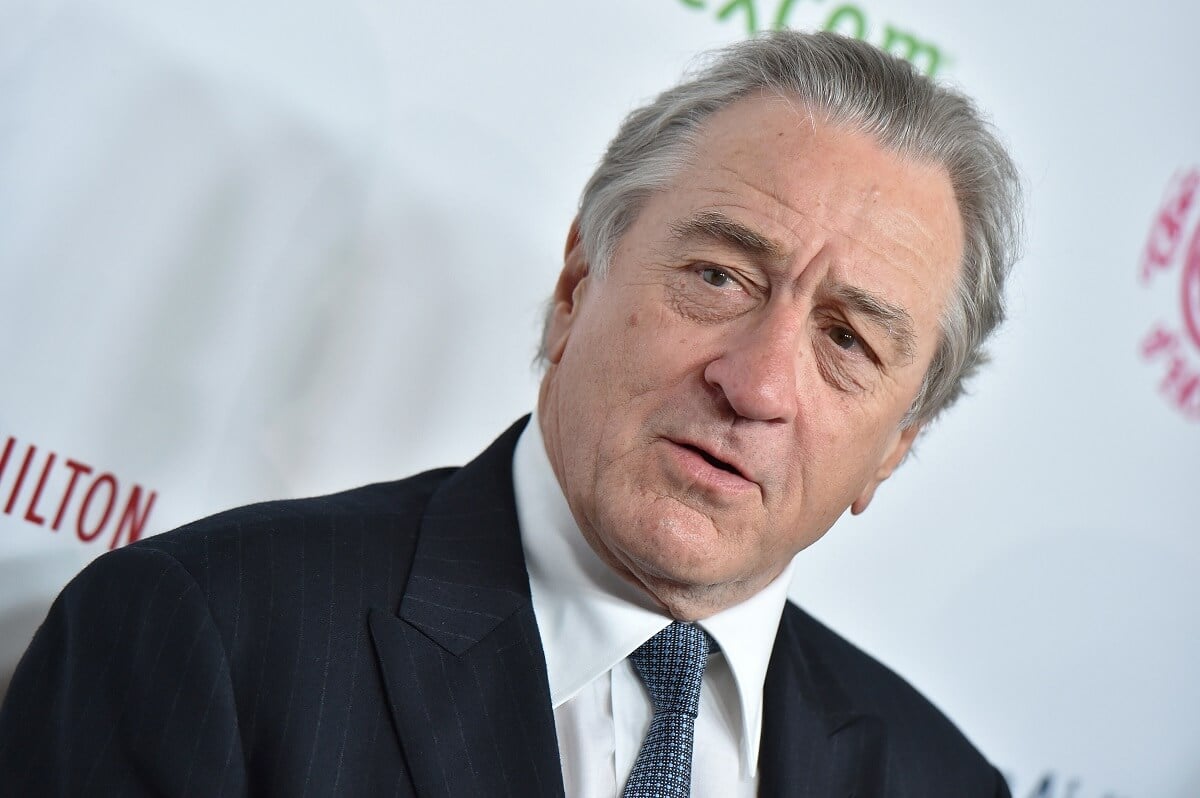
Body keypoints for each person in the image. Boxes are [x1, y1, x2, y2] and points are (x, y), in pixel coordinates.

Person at [0, 30, 1020, 797]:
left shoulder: (943, 782)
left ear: (895, 447)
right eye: (718, 276)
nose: (753, 386)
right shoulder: (203, 634)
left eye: (848, 341)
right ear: (579, 282)